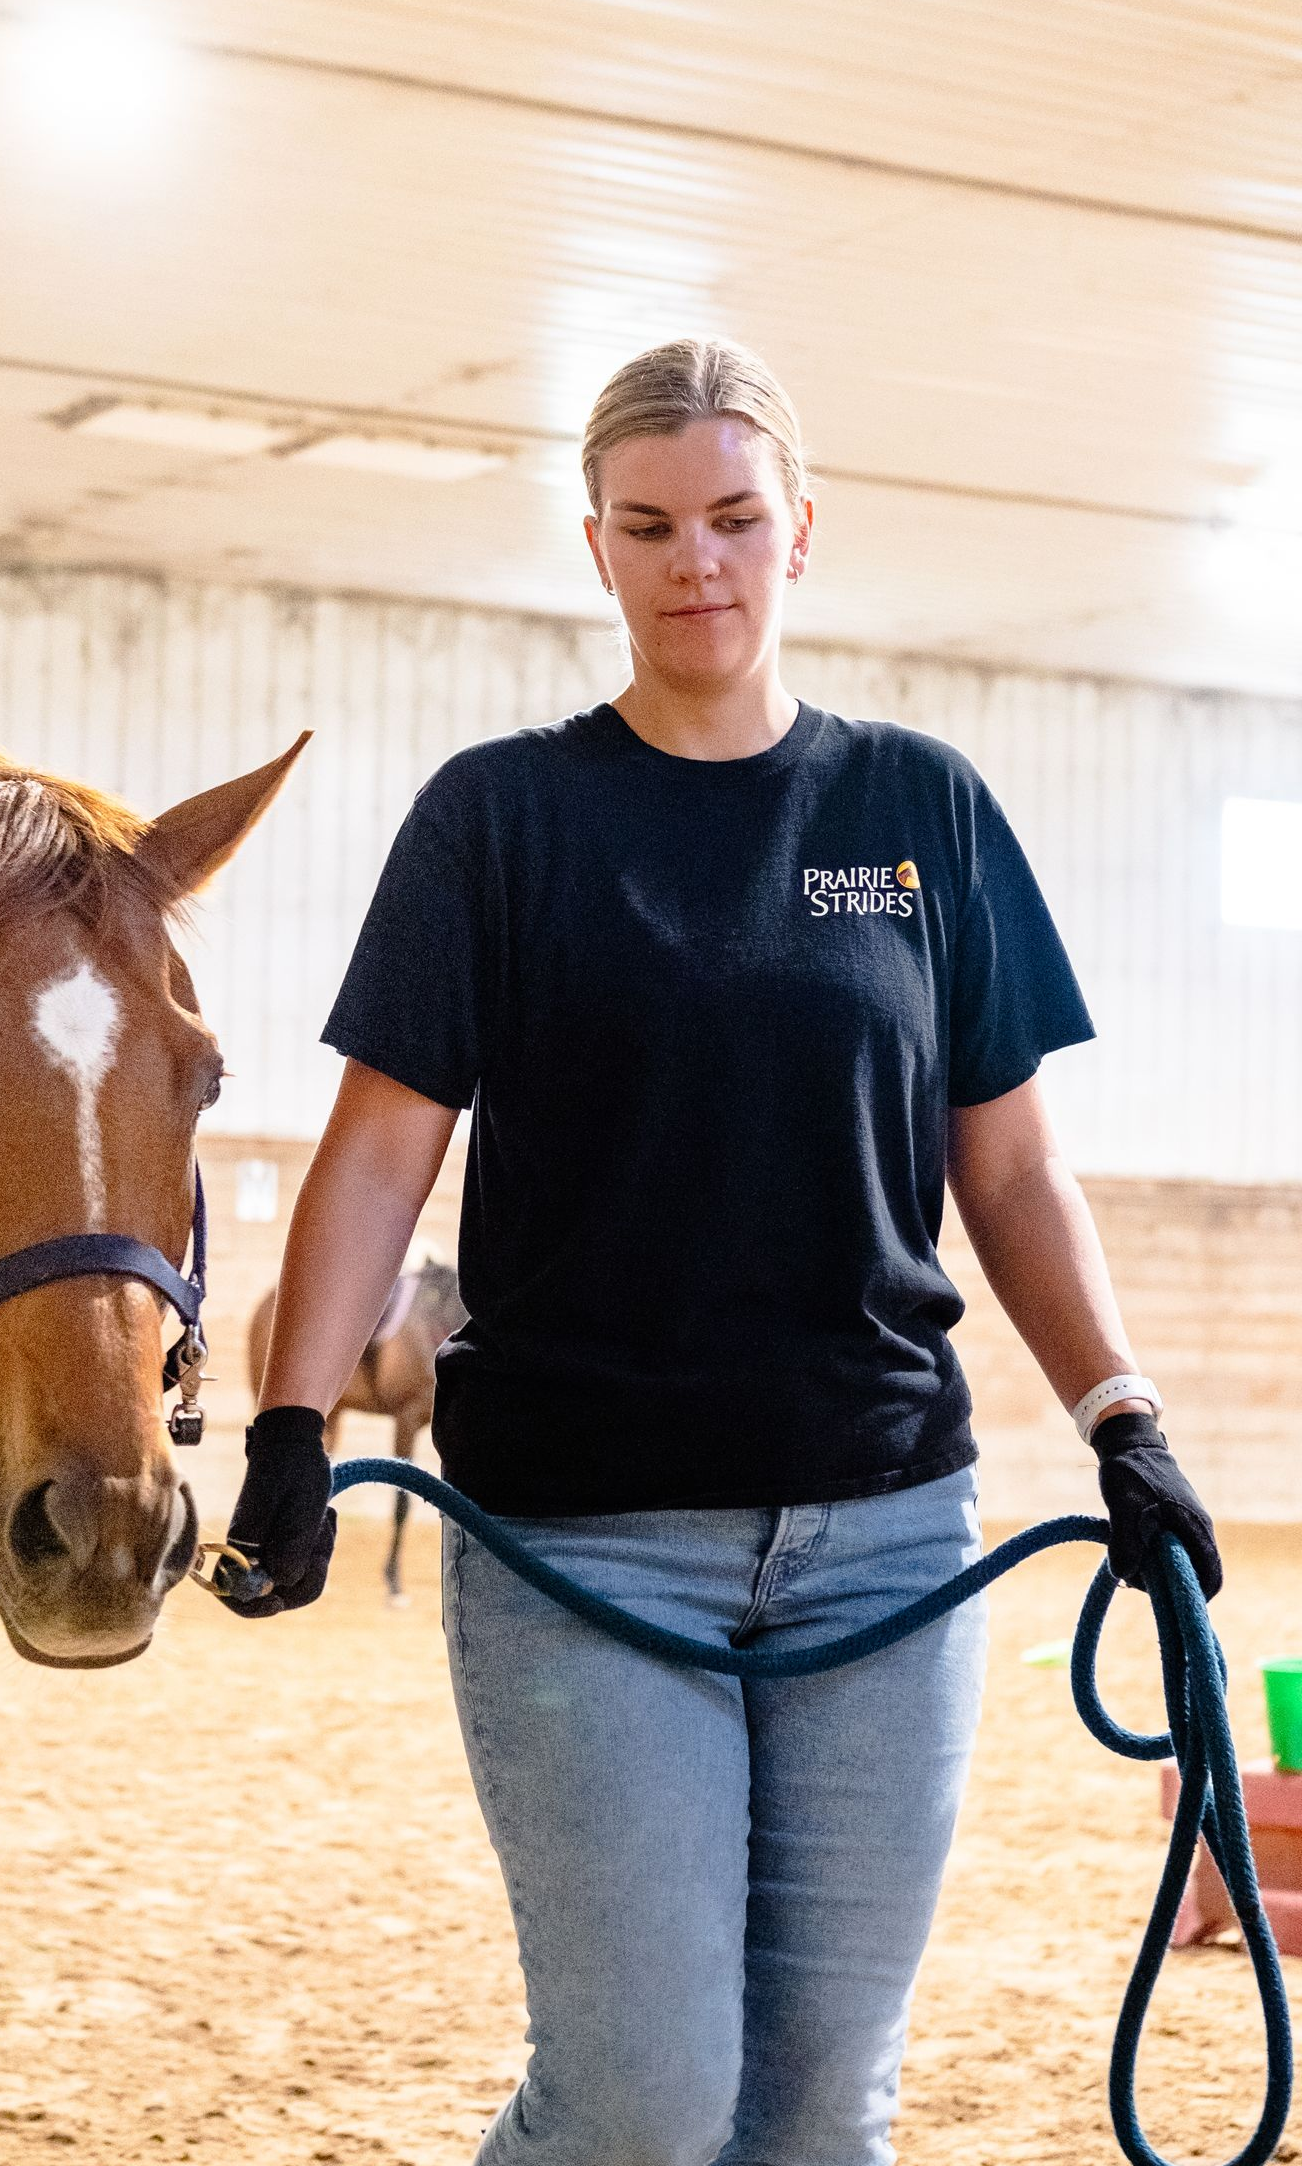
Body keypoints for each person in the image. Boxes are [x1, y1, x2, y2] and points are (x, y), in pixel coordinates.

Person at [223, 337, 1221, 2166]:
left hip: (886, 1538)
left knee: (821, 2108)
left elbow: (1009, 1168)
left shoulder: (919, 812)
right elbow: (380, 1152)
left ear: (802, 531)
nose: (701, 560)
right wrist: (292, 1421)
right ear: (594, 546)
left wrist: (1121, 1410)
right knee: (640, 2104)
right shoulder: (501, 820)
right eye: (654, 525)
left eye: (738, 519)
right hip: (587, 1546)